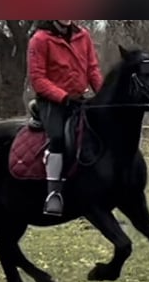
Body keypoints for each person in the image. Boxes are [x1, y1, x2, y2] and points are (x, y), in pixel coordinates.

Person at [27, 20, 104, 217]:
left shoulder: (83, 36)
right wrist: (62, 96)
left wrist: (103, 94)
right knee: (58, 137)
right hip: (52, 101)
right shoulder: (40, 40)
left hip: (79, 98)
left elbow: (92, 70)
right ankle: (53, 193)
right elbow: (38, 79)